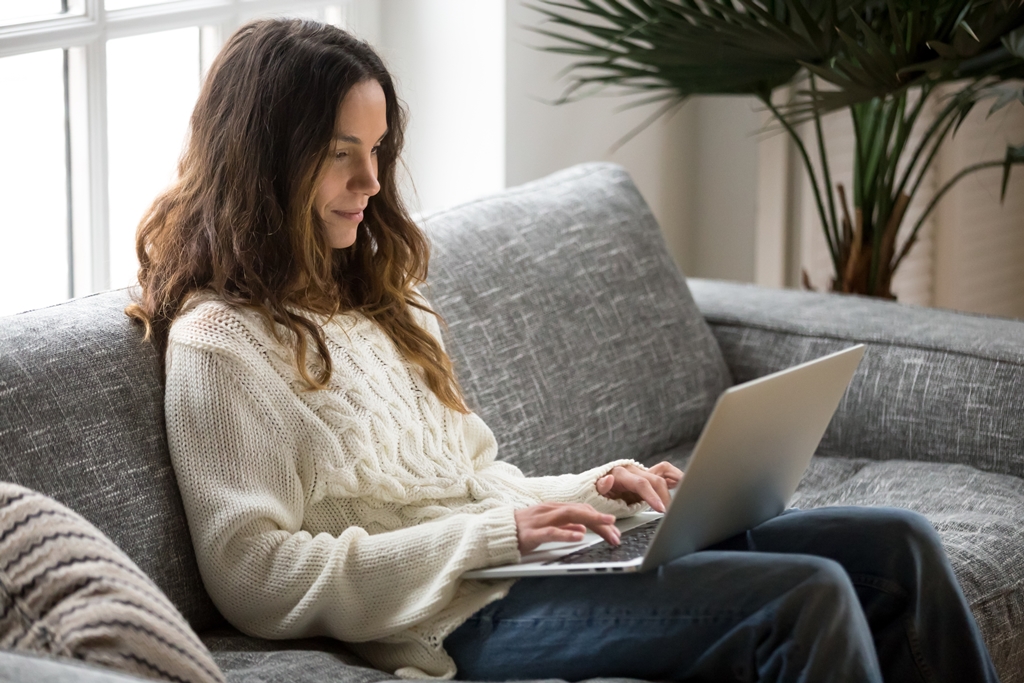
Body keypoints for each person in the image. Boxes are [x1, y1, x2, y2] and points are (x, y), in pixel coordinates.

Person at [128, 18, 1000, 683]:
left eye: (380, 151)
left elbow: (478, 481)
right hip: (457, 618)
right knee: (801, 596)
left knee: (900, 546)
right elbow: (254, 575)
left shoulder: (382, 297)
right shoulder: (222, 345)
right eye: (340, 156)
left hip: (526, 565)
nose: (372, 183)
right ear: (263, 165)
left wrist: (597, 494)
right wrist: (491, 534)